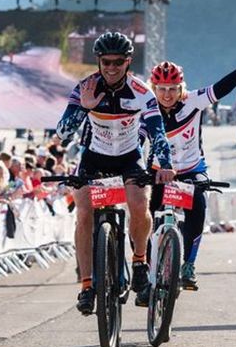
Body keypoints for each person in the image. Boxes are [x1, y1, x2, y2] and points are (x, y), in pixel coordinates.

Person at [55, 31, 175, 314]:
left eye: (117, 62)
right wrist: (84, 109)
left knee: (138, 201)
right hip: (94, 157)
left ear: (128, 62)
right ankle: (86, 285)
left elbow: (158, 133)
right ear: (98, 61)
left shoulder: (142, 92)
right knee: (83, 213)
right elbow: (62, 133)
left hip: (129, 157)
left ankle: (139, 261)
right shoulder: (85, 88)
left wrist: (166, 165)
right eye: (105, 61)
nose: (111, 67)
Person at [147, 48, 236, 290]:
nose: (167, 95)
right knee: (147, 216)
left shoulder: (193, 101)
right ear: (153, 89)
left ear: (181, 88)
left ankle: (188, 263)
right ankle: (146, 269)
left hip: (191, 168)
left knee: (198, 204)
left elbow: (222, 87)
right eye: (162, 90)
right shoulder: (146, 108)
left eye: (172, 89)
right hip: (159, 169)